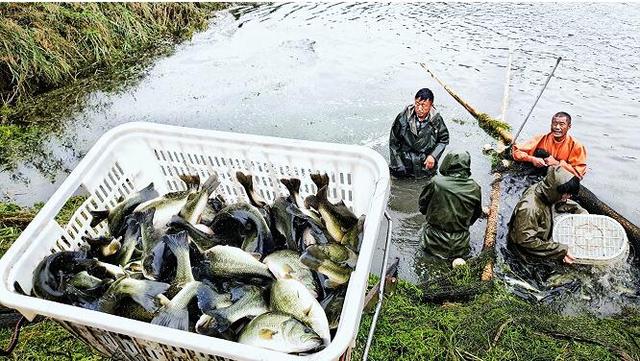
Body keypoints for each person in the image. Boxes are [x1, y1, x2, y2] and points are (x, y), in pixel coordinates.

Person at [507, 165, 588, 264]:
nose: (569, 196)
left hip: (539, 235)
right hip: (524, 253)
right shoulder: (529, 209)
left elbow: (562, 203)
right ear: (557, 192)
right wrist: (560, 250)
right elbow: (525, 241)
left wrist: (580, 211)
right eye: (567, 193)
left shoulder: (546, 190)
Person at [418, 151, 482, 259]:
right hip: (461, 244)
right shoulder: (475, 188)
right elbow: (476, 214)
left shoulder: (436, 183)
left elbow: (422, 206)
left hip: (433, 241)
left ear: (447, 163)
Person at [389, 88, 450, 179]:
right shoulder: (402, 117)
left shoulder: (437, 120)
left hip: (425, 166)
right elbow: (393, 142)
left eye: (424, 105)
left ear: (431, 105)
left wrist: (433, 156)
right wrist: (398, 164)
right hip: (404, 164)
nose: (419, 108)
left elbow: (444, 139)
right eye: (417, 104)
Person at [511, 111, 587, 179]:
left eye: (561, 124)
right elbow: (516, 152)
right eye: (554, 123)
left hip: (558, 179)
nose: (557, 127)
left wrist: (557, 163)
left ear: (569, 126)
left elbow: (578, 175)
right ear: (551, 125)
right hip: (537, 173)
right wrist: (532, 159)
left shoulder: (576, 146)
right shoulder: (541, 138)